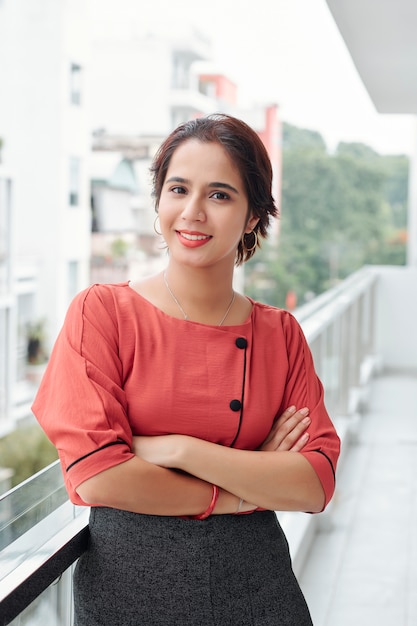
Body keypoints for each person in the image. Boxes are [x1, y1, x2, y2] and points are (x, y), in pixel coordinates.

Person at [32, 113, 340, 626]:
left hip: (258, 591)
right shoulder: (103, 313)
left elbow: (314, 483)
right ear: (158, 201)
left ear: (251, 216)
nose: (193, 212)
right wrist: (244, 491)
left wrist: (181, 450)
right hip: (131, 593)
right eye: (178, 189)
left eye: (219, 195)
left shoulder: (280, 335)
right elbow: (98, 474)